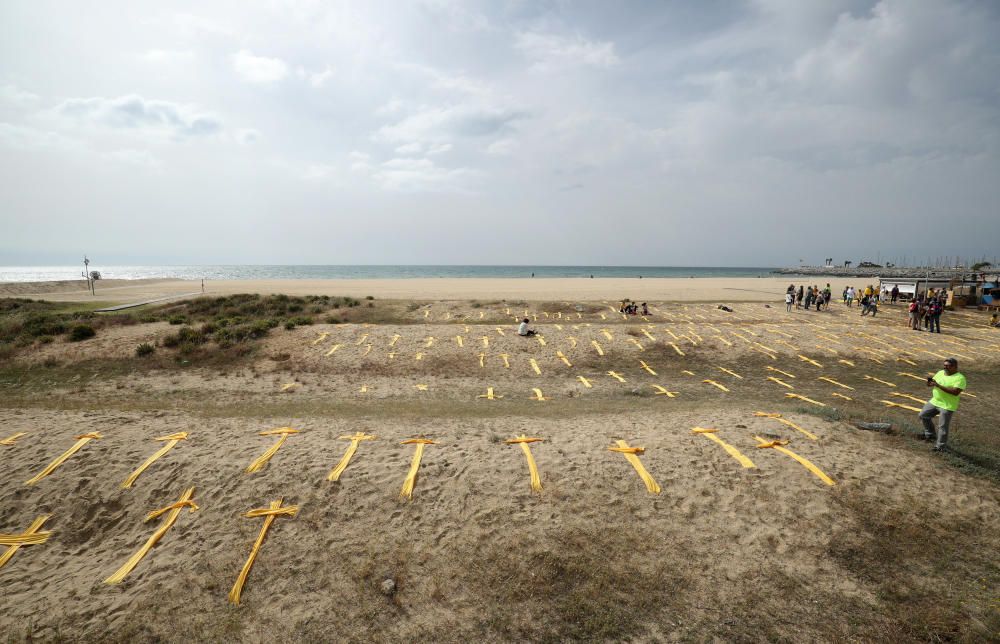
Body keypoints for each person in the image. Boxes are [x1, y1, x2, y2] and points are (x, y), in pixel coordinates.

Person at [919, 358, 967, 451]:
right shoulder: (940, 372)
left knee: (943, 426)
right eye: (944, 365)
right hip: (935, 401)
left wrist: (938, 385)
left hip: (947, 405)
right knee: (923, 415)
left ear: (954, 367)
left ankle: (940, 447)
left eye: (947, 366)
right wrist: (929, 383)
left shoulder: (960, 378)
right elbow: (933, 383)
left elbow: (955, 392)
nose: (945, 367)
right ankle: (930, 435)